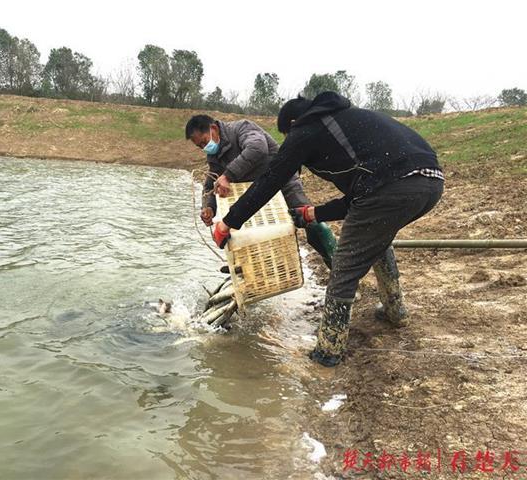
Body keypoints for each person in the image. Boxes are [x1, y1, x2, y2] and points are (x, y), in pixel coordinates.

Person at [211, 92, 444, 367]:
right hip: (430, 184)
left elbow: (271, 179)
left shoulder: (308, 128)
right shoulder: (350, 123)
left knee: (345, 266)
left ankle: (328, 350)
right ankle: (396, 311)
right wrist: (314, 213)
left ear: (294, 123)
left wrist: (229, 222)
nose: (290, 142)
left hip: (390, 188)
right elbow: (357, 200)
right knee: (379, 236)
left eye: (288, 135)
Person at [185, 114, 336, 268]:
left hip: (281, 178)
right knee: (245, 230)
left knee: (306, 218)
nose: (205, 148)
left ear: (214, 129)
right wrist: (208, 207)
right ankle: (254, 269)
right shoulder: (213, 155)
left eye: (204, 142)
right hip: (256, 193)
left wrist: (228, 176)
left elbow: (258, 148)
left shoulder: (241, 128)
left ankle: (337, 264)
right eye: (200, 146)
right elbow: (211, 183)